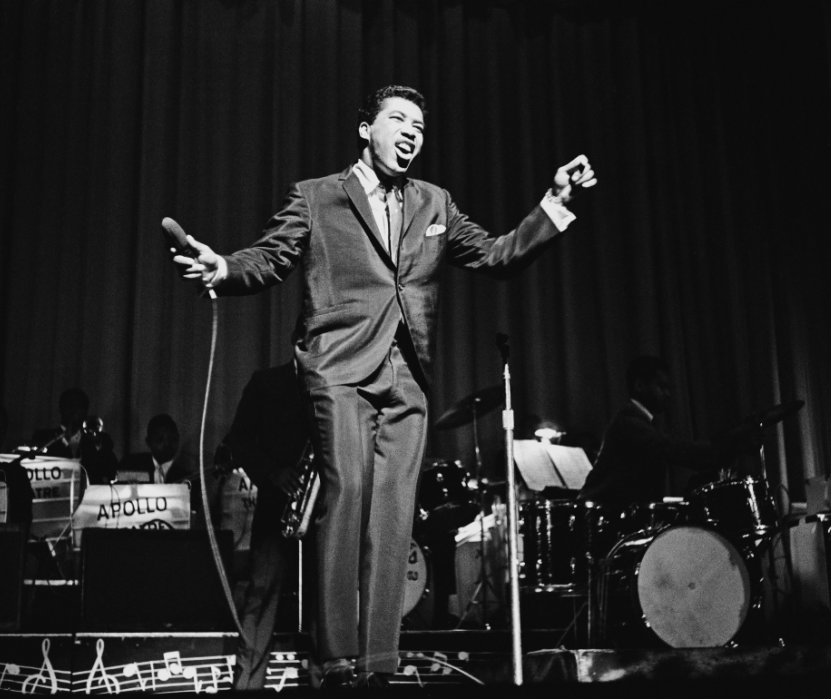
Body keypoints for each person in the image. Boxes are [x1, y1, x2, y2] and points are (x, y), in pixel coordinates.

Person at [169, 85, 596, 687]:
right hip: (339, 370)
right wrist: (223, 267)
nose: (412, 131)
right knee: (345, 500)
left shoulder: (434, 203)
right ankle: (337, 660)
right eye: (398, 119)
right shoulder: (318, 197)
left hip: (408, 381)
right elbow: (269, 257)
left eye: (420, 125)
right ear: (365, 129)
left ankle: (375, 666)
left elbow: (499, 255)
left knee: (393, 521)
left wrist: (553, 202)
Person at [222, 348, 309, 690]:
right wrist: (272, 472)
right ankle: (247, 686)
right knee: (262, 595)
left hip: (326, 508)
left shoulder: (336, 385)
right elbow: (238, 440)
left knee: (327, 603)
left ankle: (326, 680)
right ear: (300, 338)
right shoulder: (267, 382)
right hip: (278, 505)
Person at [579, 355, 749, 508]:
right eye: (661, 386)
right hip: (600, 517)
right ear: (639, 386)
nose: (668, 394)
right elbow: (675, 449)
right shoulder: (628, 422)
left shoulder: (643, 423)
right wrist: (728, 446)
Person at [31, 388, 117, 484]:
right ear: (61, 408)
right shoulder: (43, 437)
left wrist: (99, 446)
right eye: (71, 406)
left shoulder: (100, 439)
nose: (75, 411)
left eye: (80, 407)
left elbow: (112, 472)